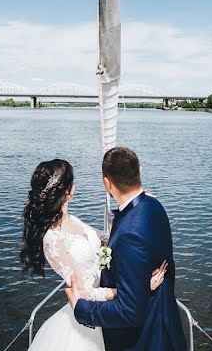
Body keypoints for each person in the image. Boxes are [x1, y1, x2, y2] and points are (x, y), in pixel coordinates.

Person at [21, 159, 168, 351]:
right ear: (67, 190)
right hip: (88, 320)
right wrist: (139, 287)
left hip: (104, 312)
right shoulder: (52, 240)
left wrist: (134, 203)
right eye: (72, 181)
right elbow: (83, 293)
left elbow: (108, 238)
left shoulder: (72, 220)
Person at [68, 147, 187, 351]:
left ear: (107, 183)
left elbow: (129, 311)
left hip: (146, 339)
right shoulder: (153, 204)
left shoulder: (129, 237)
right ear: (139, 171)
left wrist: (81, 308)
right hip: (165, 318)